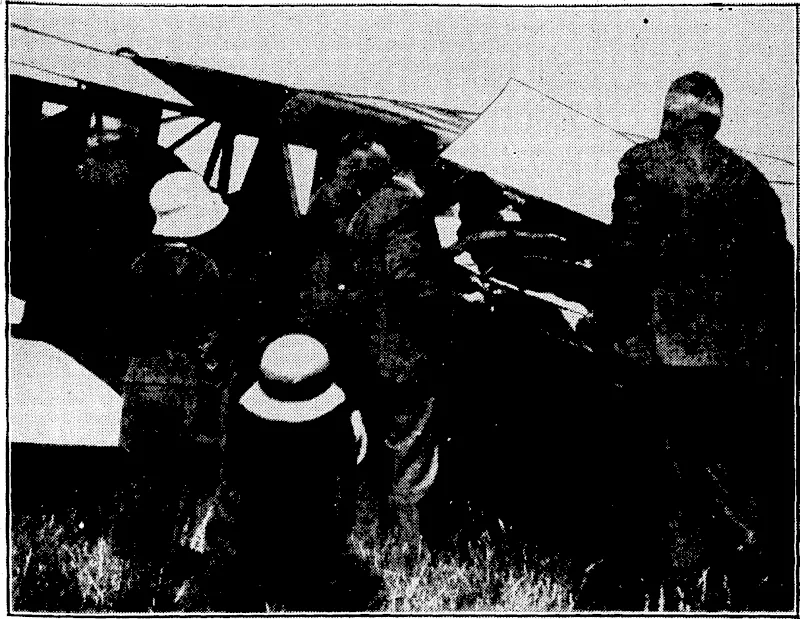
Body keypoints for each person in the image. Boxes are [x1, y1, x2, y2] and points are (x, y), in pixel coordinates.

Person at [586, 72, 794, 610]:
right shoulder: (746, 178)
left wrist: (609, 328)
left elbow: (624, 259)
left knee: (648, 474)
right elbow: (780, 264)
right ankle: (723, 589)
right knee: (718, 476)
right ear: (716, 122)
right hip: (730, 362)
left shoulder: (643, 165)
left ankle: (651, 591)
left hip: (659, 357)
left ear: (668, 116)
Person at [344, 162, 451, 553]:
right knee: (412, 447)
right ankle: (409, 545)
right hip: (403, 352)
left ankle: (366, 530)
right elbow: (407, 276)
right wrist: (449, 298)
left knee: (374, 441)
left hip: (368, 345)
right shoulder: (409, 209)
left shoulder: (371, 206)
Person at [219, 334, 368, 611]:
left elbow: (233, 490)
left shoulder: (246, 429)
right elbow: (346, 497)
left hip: (255, 546)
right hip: (316, 547)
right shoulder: (337, 430)